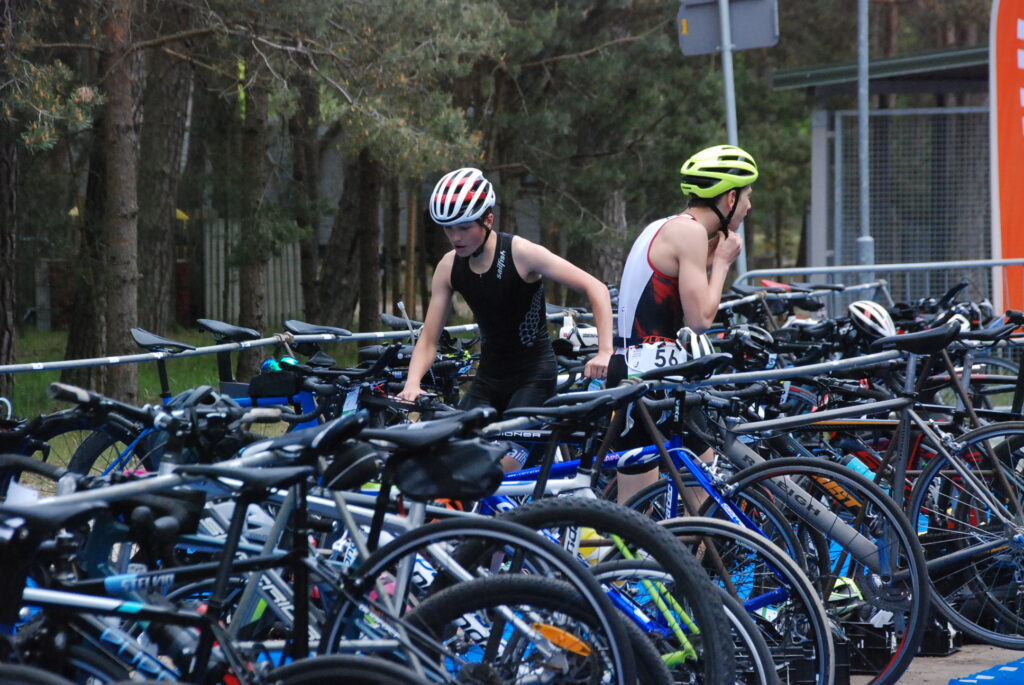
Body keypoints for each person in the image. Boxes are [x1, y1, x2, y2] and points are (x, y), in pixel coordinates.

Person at [398, 167, 615, 467]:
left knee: (500, 469)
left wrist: (605, 352)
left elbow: (596, 288)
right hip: (489, 379)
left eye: (464, 227)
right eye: (448, 229)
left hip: (533, 377)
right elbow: (429, 338)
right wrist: (412, 382)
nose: (456, 237)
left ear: (488, 220)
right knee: (451, 460)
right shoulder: (449, 266)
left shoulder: (521, 252)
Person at [610, 144, 758, 503]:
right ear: (731, 198)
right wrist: (722, 264)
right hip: (650, 380)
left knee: (687, 503)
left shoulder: (667, 227)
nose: (749, 206)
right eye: (748, 196)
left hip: (643, 374)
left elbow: (672, 280)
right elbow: (701, 319)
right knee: (651, 511)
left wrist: (712, 257)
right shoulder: (689, 233)